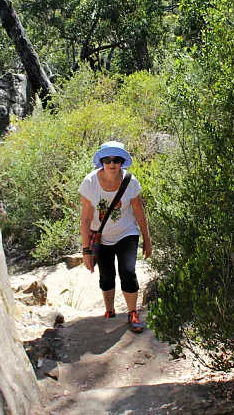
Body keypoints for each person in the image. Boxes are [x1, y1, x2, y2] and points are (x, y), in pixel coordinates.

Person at [79, 141, 152, 333]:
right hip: (101, 236)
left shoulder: (130, 182)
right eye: (108, 159)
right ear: (101, 161)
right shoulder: (90, 183)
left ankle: (132, 312)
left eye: (117, 160)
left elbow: (139, 211)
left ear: (122, 162)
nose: (112, 164)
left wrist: (147, 239)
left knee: (127, 271)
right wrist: (86, 250)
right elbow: (86, 219)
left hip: (127, 232)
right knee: (106, 274)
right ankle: (109, 311)